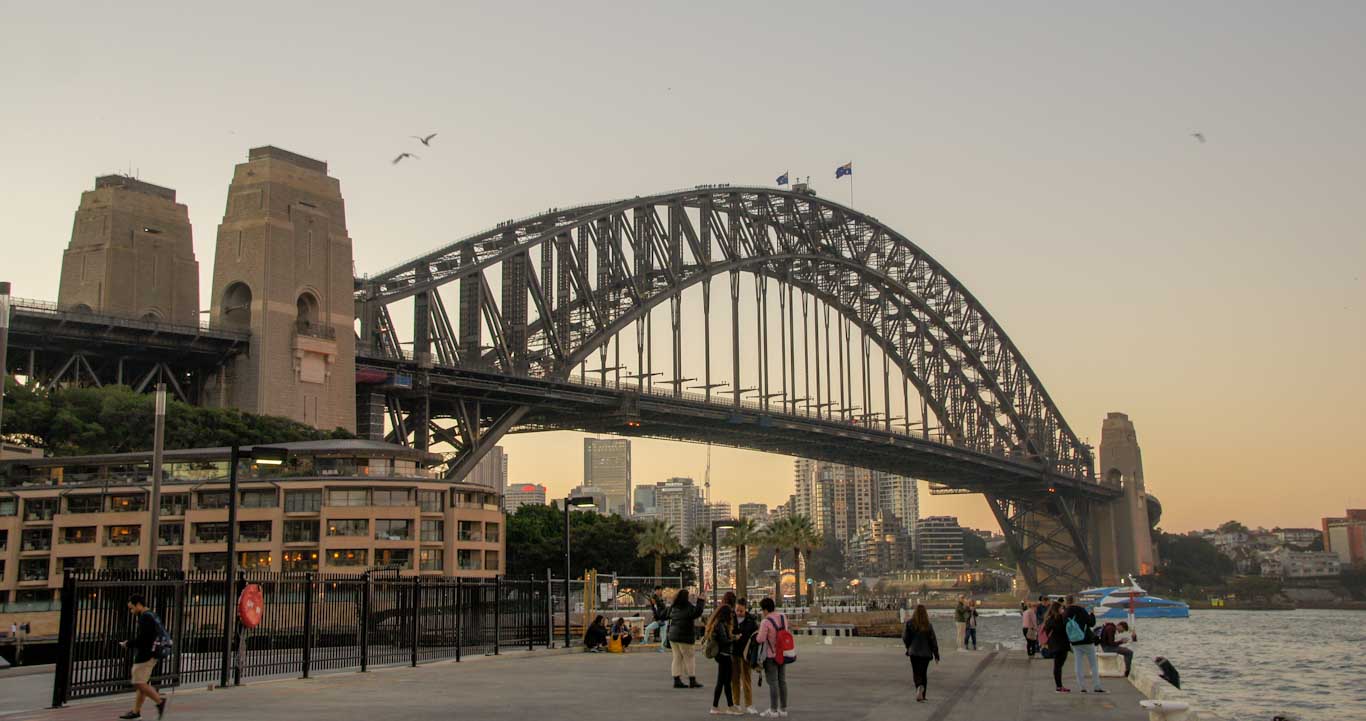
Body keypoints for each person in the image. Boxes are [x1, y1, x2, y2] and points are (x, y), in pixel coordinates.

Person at [118, 594, 167, 720]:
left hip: (146, 654)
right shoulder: (151, 614)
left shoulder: (145, 617)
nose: (131, 611)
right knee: (142, 683)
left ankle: (159, 701)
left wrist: (127, 643)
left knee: (138, 681)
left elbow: (143, 640)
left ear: (138, 604)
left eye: (132, 608)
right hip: (153, 652)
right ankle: (136, 711)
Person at [754, 597, 789, 718]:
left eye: (762, 609)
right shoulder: (783, 617)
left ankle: (773, 710)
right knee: (782, 681)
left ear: (765, 609)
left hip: (770, 656)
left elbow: (760, 639)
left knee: (773, 682)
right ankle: (783, 709)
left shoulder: (766, 621)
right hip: (783, 654)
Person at [1064, 596, 1104, 693]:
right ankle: (1097, 686)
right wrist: (1092, 614)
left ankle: (1082, 687)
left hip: (1074, 641)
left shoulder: (1065, 612)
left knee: (1078, 663)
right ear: (1075, 601)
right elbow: (1091, 623)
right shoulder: (1081, 610)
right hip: (1086, 640)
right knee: (1093, 664)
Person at [704, 604, 739, 715]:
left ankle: (716, 706)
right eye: (730, 614)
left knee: (722, 682)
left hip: (721, 655)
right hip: (724, 655)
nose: (731, 616)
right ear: (726, 614)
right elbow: (724, 641)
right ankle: (729, 707)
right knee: (725, 682)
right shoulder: (720, 625)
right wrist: (735, 639)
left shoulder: (717, 624)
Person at [901, 604, 940, 702]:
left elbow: (905, 637)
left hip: (913, 652)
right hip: (926, 653)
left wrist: (908, 646)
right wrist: (936, 654)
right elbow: (933, 641)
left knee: (916, 672)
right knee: (923, 673)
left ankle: (919, 687)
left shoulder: (910, 623)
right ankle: (923, 694)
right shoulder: (928, 625)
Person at [668, 590, 706, 689]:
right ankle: (692, 680)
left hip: (673, 636)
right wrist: (701, 601)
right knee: (689, 658)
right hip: (685, 636)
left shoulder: (674, 606)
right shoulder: (687, 607)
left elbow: (664, 615)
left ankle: (676, 680)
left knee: (677, 657)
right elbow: (697, 612)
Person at [732, 598, 759, 714]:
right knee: (734, 679)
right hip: (733, 653)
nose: (738, 613)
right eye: (737, 610)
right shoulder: (730, 619)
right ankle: (736, 704)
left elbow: (755, 636)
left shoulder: (751, 620)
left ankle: (749, 704)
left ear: (745, 609)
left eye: (741, 611)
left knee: (746, 679)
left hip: (746, 653)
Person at [1042, 601, 1071, 693]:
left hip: (1054, 645)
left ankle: (1059, 686)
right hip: (1060, 645)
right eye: (1061, 608)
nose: (1062, 610)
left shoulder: (1049, 619)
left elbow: (1047, 631)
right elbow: (1063, 629)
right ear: (1057, 609)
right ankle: (1059, 686)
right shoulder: (1058, 619)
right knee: (1058, 666)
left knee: (1058, 666)